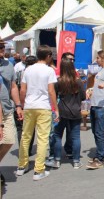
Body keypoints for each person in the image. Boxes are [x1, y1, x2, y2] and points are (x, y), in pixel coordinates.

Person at [17, 45, 58, 181]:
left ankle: (22, 166)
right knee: (42, 138)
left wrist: (22, 106)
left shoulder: (28, 69)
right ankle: (39, 170)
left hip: (29, 105)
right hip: (43, 106)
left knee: (26, 136)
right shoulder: (49, 70)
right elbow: (51, 91)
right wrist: (56, 108)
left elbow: (22, 90)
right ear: (48, 56)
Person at [46, 59, 86, 170]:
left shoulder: (58, 81)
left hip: (62, 110)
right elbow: (83, 97)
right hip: (75, 111)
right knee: (76, 137)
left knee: (57, 135)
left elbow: (54, 94)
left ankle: (57, 160)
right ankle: (76, 161)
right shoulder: (78, 82)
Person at [0, 39, 23, 182]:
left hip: (6, 109)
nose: (2, 49)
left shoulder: (8, 65)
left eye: (3, 46)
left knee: (9, 139)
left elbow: (13, 87)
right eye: (0, 47)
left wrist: (18, 105)